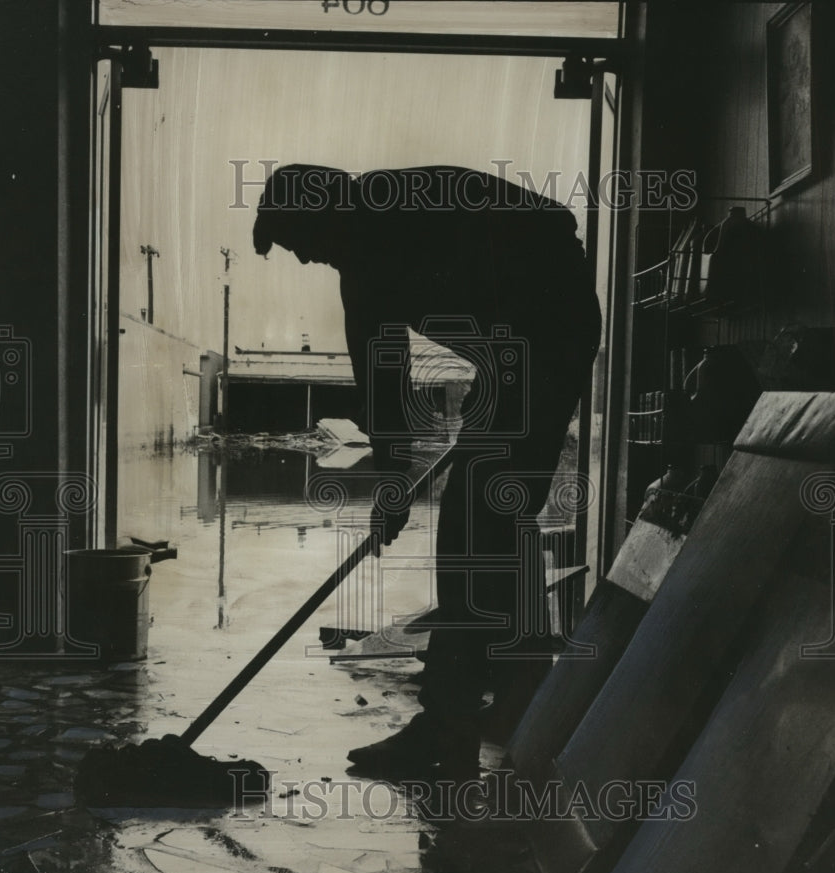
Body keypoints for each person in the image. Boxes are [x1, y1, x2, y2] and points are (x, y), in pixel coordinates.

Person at [254, 164, 601, 780]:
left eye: (296, 240)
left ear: (320, 209)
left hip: (546, 330)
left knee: (472, 526)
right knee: (496, 523)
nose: (304, 257)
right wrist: (394, 479)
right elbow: (384, 387)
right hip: (520, 345)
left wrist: (394, 486)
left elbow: (386, 377)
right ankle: (517, 700)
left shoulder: (380, 229)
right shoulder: (364, 246)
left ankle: (447, 730)